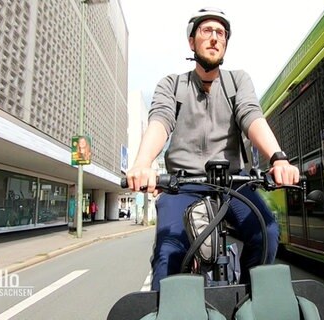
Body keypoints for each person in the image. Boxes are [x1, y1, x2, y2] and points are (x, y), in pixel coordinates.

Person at [124, 7, 300, 291]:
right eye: (207, 31)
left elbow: (250, 115)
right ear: (192, 42)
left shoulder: (237, 81)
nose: (215, 38)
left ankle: (249, 299)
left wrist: (278, 158)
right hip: (183, 184)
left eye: (221, 33)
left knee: (266, 231)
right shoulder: (172, 85)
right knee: (169, 250)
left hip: (233, 184)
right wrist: (143, 163)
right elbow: (161, 119)